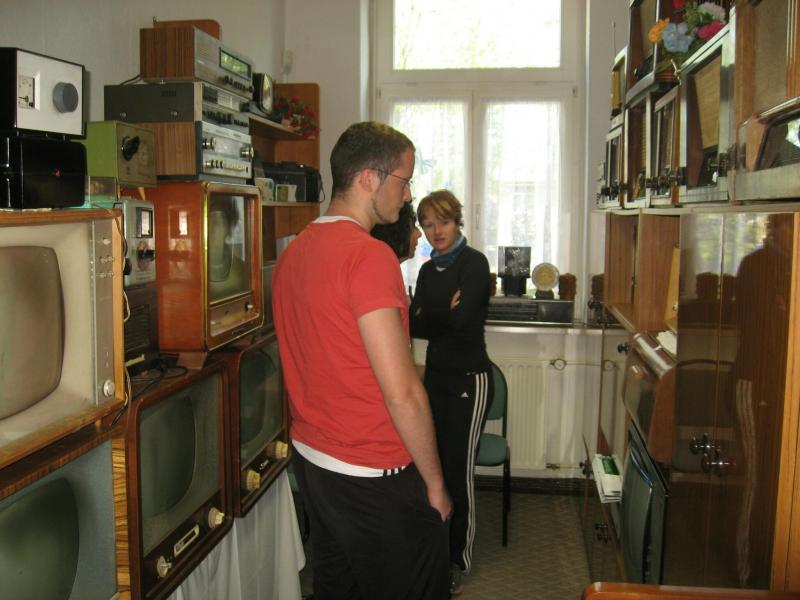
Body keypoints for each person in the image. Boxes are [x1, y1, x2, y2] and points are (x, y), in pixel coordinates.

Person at [272, 121, 451, 600]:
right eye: (404, 180)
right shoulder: (369, 258)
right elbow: (403, 392)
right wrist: (435, 484)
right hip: (373, 472)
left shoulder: (295, 251)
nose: (407, 193)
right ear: (370, 178)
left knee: (339, 587)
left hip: (315, 462)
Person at [409, 189, 493, 595]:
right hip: (436, 379)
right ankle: (435, 550)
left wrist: (434, 314)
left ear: (457, 221)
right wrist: (444, 311)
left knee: (458, 474)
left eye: (442, 221)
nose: (435, 231)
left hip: (469, 381)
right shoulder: (428, 270)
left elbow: (460, 323)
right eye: (427, 224)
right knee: (432, 470)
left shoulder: (474, 264)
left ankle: (458, 559)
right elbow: (414, 324)